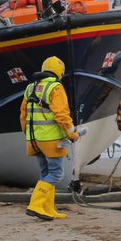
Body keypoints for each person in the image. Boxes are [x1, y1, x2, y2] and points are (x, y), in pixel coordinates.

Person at [20, 56, 79, 221]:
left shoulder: (30, 87)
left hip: (34, 139)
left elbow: (23, 114)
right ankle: (36, 205)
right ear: (60, 71)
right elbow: (61, 115)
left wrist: (28, 133)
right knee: (56, 173)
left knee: (45, 173)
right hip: (51, 140)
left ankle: (48, 208)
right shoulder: (55, 87)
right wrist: (72, 134)